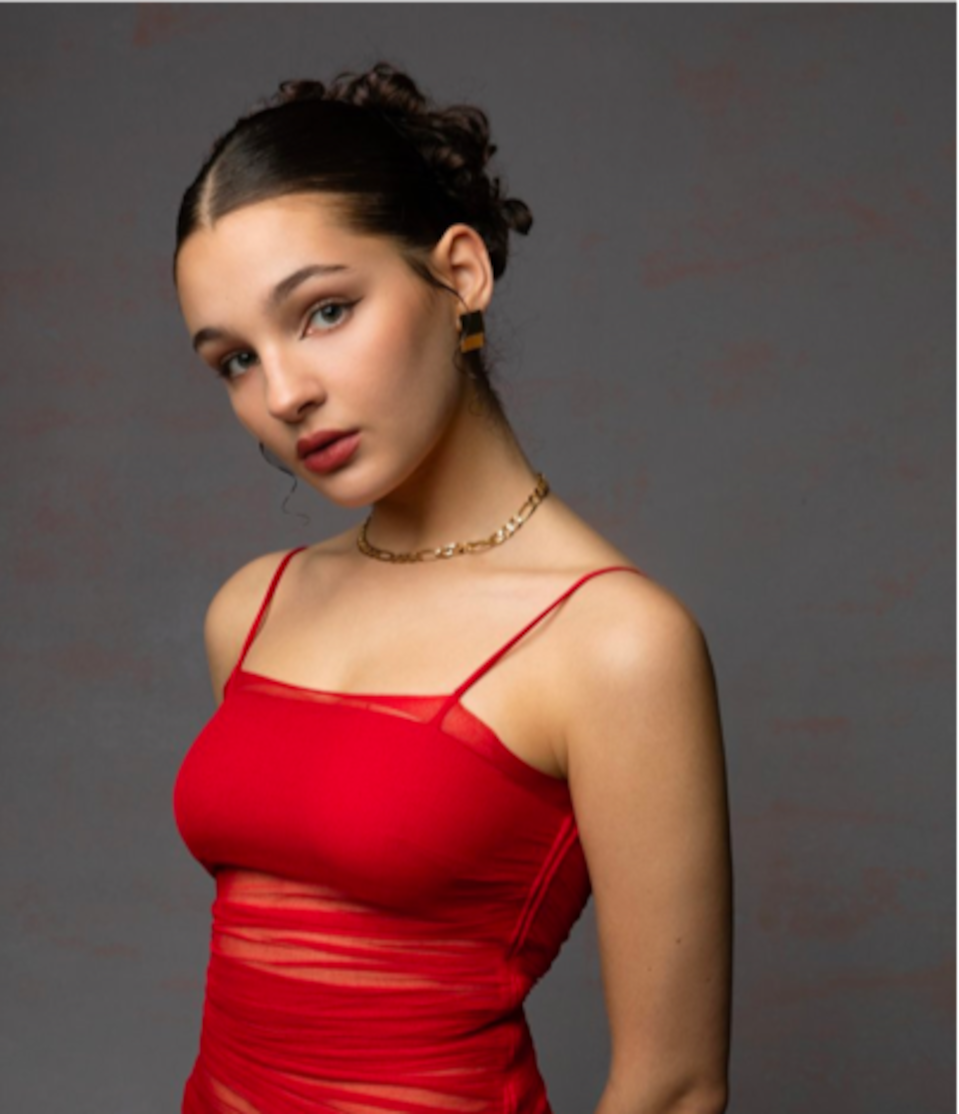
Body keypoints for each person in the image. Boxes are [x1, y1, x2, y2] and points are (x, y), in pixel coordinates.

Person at [170, 61, 732, 1114]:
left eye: (325, 310)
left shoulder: (615, 642)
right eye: (234, 360)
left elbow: (675, 1085)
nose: (284, 393)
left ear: (461, 272)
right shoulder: (252, 609)